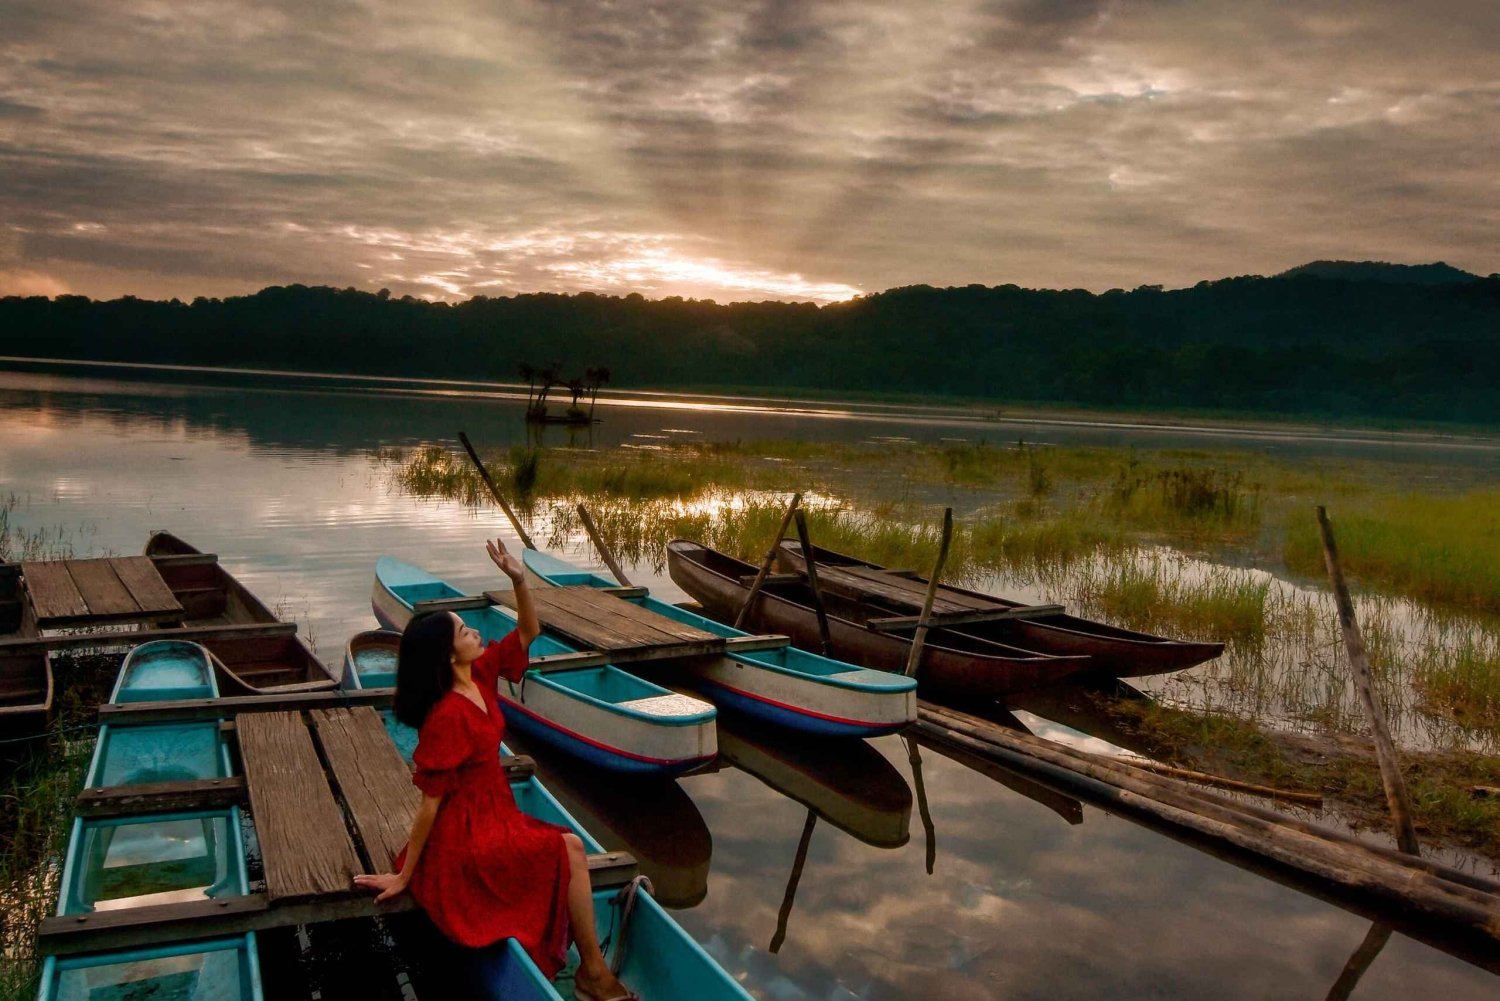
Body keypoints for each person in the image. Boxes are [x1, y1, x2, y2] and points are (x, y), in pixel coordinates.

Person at [354, 538, 637, 1001]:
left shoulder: (482, 672)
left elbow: (528, 631)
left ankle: (590, 970)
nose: (475, 633)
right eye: (465, 631)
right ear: (449, 656)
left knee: (567, 847)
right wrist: (406, 877)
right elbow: (431, 803)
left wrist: (520, 579)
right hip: (464, 834)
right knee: (568, 845)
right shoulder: (446, 715)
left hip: (495, 812)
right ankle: (593, 972)